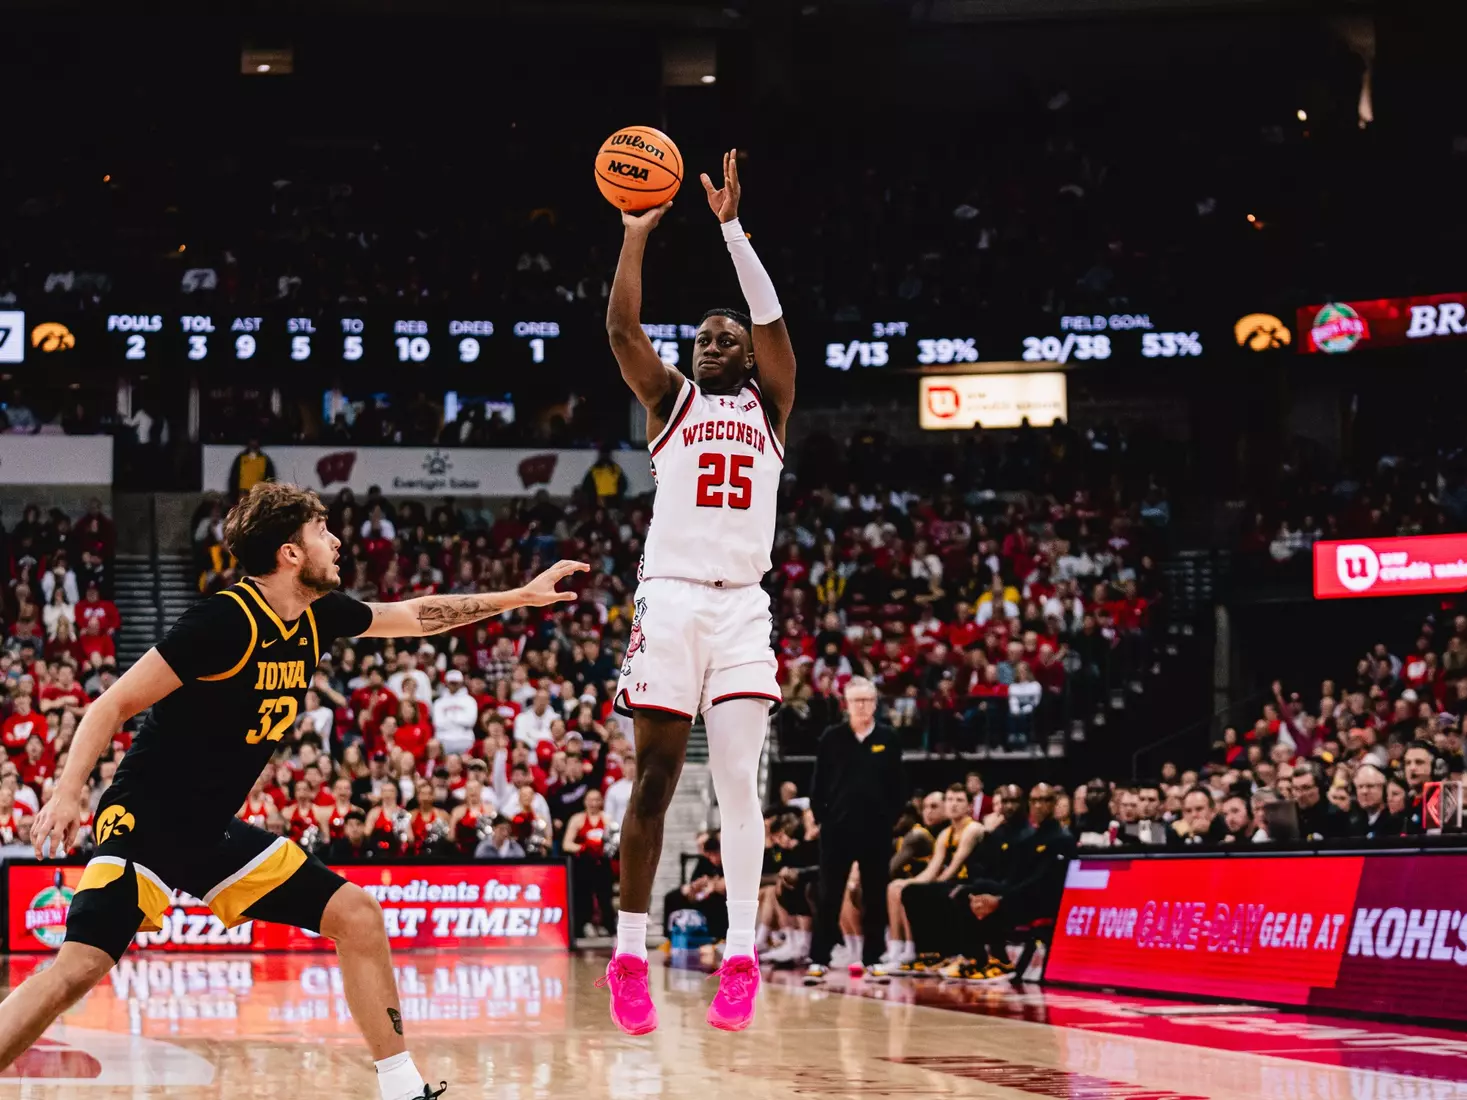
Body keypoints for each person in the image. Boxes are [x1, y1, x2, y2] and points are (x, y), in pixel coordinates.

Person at [6, 481, 585, 1100]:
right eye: (322, 530)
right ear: (289, 552)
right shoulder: (223, 621)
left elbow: (415, 616)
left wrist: (520, 596)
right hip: (148, 818)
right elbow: (110, 703)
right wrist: (67, 794)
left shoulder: (317, 614)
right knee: (79, 968)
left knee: (358, 917)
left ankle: (403, 1088)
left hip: (209, 832)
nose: (336, 541)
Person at [601, 148, 796, 1035]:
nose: (716, 344)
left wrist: (728, 226)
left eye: (728, 339)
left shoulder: (772, 404)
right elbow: (620, 332)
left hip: (742, 606)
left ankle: (744, 952)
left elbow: (772, 317)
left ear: (745, 354)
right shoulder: (669, 402)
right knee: (652, 783)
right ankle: (628, 957)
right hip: (673, 598)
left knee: (739, 787)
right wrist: (636, 236)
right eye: (704, 338)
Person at [803, 678, 905, 981]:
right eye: (856, 700)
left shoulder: (889, 738)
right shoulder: (831, 738)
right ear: (846, 703)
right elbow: (818, 783)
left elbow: (899, 786)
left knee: (874, 895)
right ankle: (819, 959)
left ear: (875, 703)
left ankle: (873, 958)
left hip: (876, 831)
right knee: (828, 895)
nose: (862, 706)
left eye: (867, 700)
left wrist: (889, 818)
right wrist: (823, 818)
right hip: (837, 830)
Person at [881, 791, 945, 965]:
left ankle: (907, 947)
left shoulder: (917, 835)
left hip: (935, 883)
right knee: (894, 887)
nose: (928, 812)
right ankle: (893, 946)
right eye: (925, 807)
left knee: (900, 888)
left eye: (933, 807)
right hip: (926, 882)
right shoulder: (902, 838)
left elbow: (890, 868)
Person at [564, 788, 615, 937]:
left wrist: (601, 848)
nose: (593, 803)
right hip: (583, 865)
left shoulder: (607, 819)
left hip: (601, 864)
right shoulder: (577, 819)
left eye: (596, 800)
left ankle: (609, 927)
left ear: (601, 802)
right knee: (582, 897)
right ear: (585, 802)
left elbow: (614, 842)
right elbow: (566, 844)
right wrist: (584, 847)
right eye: (590, 800)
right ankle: (581, 927)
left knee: (605, 897)